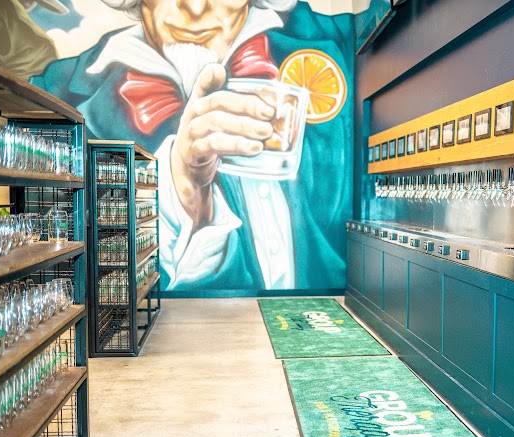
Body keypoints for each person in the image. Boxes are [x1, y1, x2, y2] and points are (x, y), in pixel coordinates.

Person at [31, 0, 353, 293]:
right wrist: (185, 194)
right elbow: (55, 277)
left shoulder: (338, 45)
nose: (196, 7)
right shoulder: (55, 94)